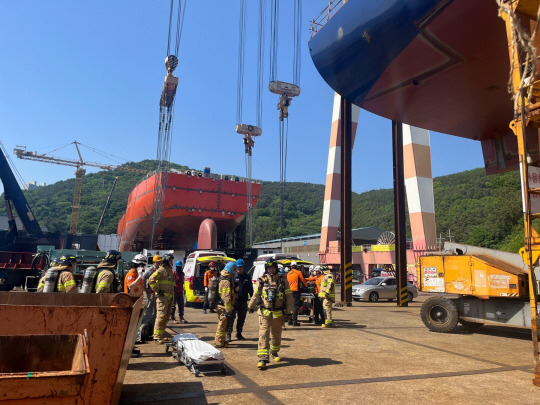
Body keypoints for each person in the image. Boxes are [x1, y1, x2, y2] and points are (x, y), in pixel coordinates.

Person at [249, 258, 293, 370]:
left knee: (276, 335)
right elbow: (256, 294)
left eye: (273, 268)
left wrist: (289, 312)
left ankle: (274, 352)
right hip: (264, 312)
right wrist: (251, 306)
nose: (271, 270)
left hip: (278, 313)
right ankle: (263, 358)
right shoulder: (262, 280)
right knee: (263, 334)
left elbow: (289, 298)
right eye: (269, 268)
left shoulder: (283, 281)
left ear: (276, 268)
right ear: (266, 269)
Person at [148, 253, 175, 343]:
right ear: (167, 261)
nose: (172, 262)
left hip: (169, 298)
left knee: (166, 316)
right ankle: (157, 337)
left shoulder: (170, 270)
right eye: (171, 260)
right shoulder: (161, 270)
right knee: (161, 316)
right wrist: (157, 290)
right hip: (162, 298)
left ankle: (161, 335)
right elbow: (151, 280)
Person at [124, 254, 146, 357]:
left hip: (136, 303)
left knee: (134, 328)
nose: (143, 268)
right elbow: (130, 286)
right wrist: (140, 277)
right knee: (130, 328)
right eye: (142, 265)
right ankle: (128, 350)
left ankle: (131, 347)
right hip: (130, 304)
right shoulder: (131, 274)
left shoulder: (137, 274)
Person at [227, 258, 253, 341]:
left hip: (243, 302)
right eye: (238, 267)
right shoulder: (232, 276)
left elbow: (250, 290)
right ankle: (228, 335)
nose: (240, 269)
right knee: (231, 319)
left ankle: (239, 333)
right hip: (234, 302)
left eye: (241, 267)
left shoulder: (247, 277)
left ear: (243, 267)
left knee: (241, 319)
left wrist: (252, 301)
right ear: (236, 268)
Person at [214, 261, 237, 348]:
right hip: (223, 306)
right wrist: (228, 309)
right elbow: (226, 296)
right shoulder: (226, 281)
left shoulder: (223, 277)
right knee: (222, 325)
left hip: (221, 305)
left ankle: (222, 341)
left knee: (223, 324)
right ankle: (219, 342)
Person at [140, 255, 160, 341]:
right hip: (151, 292)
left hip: (156, 292)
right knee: (149, 309)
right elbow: (144, 277)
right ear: (154, 262)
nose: (159, 263)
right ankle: (147, 325)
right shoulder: (150, 270)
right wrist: (146, 288)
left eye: (160, 262)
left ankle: (152, 328)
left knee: (155, 310)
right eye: (158, 262)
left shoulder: (159, 270)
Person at [286, 260, 308, 326]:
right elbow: (303, 280)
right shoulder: (298, 272)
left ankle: (289, 320)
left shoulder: (288, 273)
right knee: (296, 306)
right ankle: (294, 321)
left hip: (289, 291)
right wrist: (306, 286)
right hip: (296, 291)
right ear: (296, 266)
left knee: (290, 305)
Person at [171, 260, 187, 324]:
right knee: (173, 306)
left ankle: (181, 317)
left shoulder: (182, 273)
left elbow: (182, 282)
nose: (180, 268)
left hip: (180, 291)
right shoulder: (173, 273)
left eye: (180, 267)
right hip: (174, 291)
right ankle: (172, 318)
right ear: (176, 266)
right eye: (178, 267)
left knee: (181, 305)